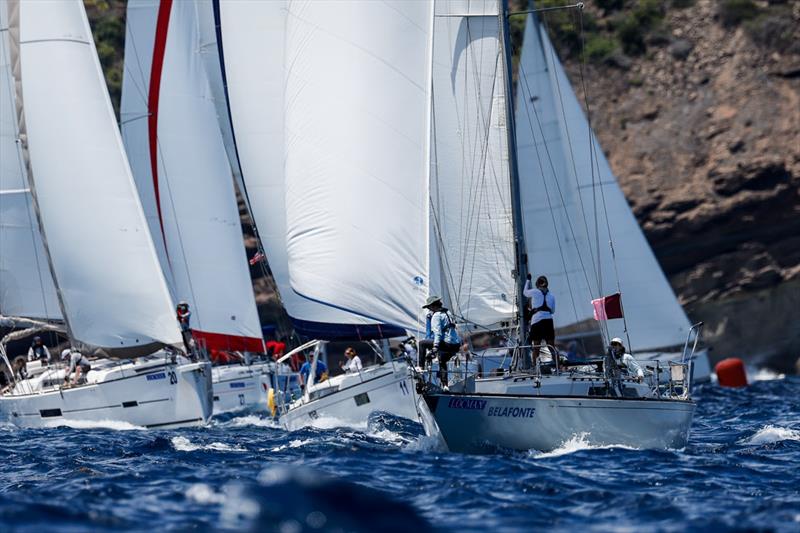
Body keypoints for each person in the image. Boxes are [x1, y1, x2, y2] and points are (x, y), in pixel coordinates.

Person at [422, 295, 461, 389]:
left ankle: (420, 367)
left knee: (422, 343)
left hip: (447, 344)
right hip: (456, 345)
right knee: (442, 360)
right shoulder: (448, 312)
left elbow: (437, 333)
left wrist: (435, 346)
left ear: (433, 306)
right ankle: (445, 385)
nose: (429, 309)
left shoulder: (436, 316)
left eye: (429, 307)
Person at [523, 274, 555, 365]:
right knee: (551, 346)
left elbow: (525, 293)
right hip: (548, 321)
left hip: (537, 321)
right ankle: (558, 367)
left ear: (537, 284)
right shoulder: (551, 296)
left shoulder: (535, 292)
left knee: (536, 347)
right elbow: (552, 311)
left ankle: (534, 367)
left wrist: (528, 280)